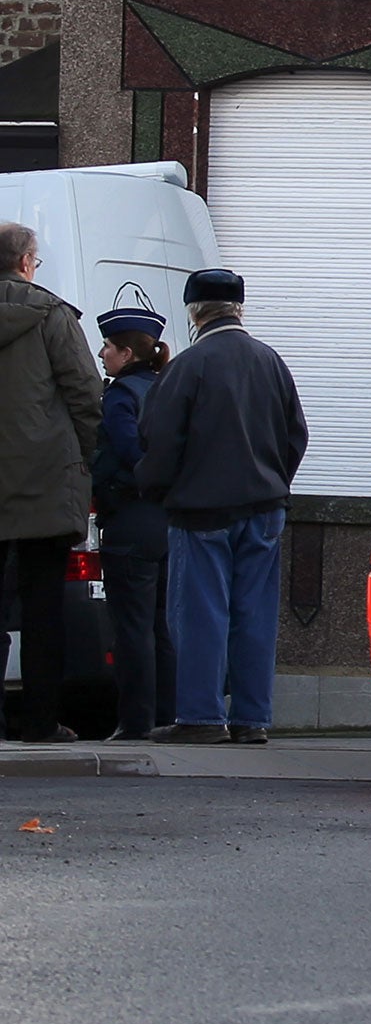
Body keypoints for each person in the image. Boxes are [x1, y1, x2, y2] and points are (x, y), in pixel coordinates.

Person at [136, 268, 308, 745]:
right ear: (239, 309)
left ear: (194, 312)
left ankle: (201, 716)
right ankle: (253, 718)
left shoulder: (188, 366)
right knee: (254, 614)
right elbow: (297, 435)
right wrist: (273, 481)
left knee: (200, 614)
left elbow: (160, 441)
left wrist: (152, 488)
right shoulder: (271, 361)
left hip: (202, 511)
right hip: (265, 509)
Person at [0, 222, 102, 743]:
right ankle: (40, 721)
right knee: (43, 609)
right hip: (44, 484)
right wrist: (86, 461)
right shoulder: (52, 315)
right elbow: (86, 394)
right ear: (24, 263)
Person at [91, 303, 176, 740]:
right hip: (168, 522)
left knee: (132, 627)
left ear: (126, 353)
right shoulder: (165, 387)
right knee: (163, 625)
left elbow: (127, 451)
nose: (102, 353)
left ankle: (136, 722)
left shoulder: (121, 395)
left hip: (130, 521)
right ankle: (167, 715)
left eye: (108, 346)